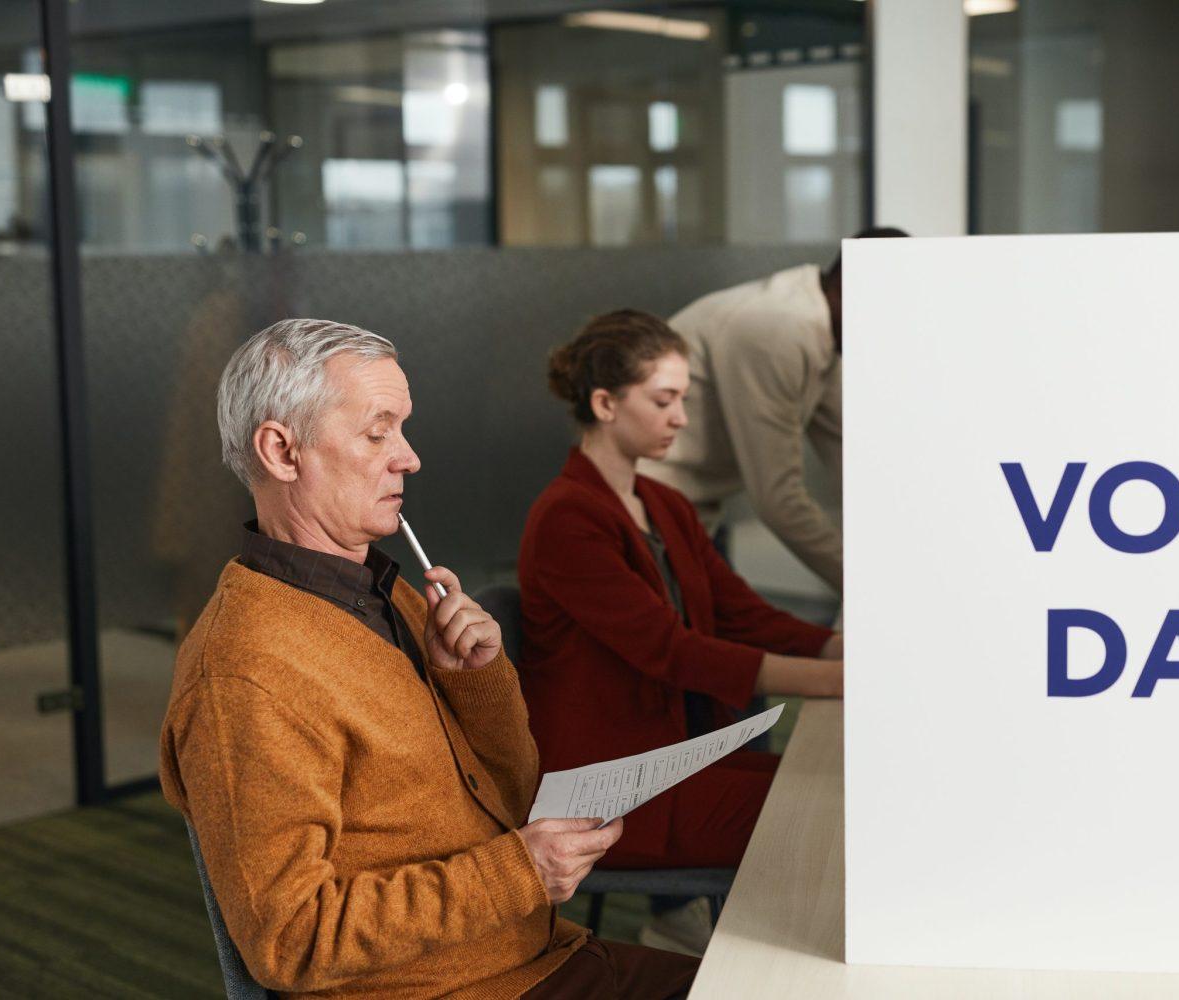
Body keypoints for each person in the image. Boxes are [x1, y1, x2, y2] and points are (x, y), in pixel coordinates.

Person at [159, 318, 696, 999]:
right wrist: (519, 873)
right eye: (378, 432)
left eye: (402, 429)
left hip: (538, 957)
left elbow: (511, 797)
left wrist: (477, 685)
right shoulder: (247, 672)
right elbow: (290, 941)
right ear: (282, 451)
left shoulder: (388, 596)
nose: (408, 457)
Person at [517, 310, 844, 951]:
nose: (682, 418)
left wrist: (844, 649)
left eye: (684, 400)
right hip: (612, 787)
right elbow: (672, 653)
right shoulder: (566, 518)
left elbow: (742, 612)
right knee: (824, 813)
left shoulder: (663, 504)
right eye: (664, 400)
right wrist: (837, 680)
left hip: (679, 762)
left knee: (831, 792)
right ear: (606, 403)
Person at [642, 227, 909, 595]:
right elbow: (777, 501)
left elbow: (855, 455)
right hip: (648, 515)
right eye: (893, 311)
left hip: (692, 513)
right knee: (718, 641)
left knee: (740, 632)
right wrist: (867, 587)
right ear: (854, 290)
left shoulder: (824, 329)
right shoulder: (776, 331)